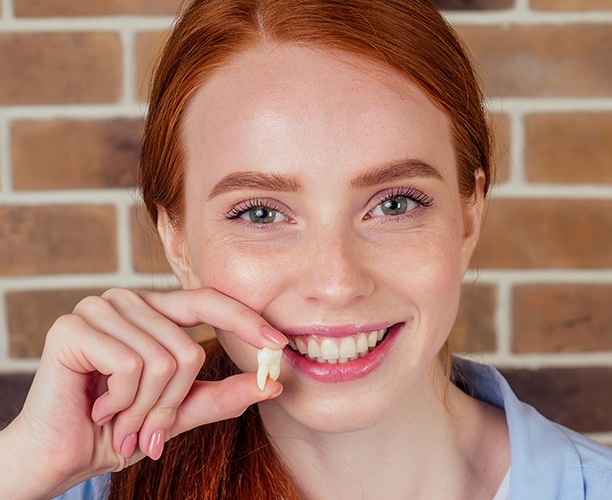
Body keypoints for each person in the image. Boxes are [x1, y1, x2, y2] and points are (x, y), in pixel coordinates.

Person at [1, 0, 611, 498]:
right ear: (177, 239)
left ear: (469, 213)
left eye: (395, 203)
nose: (337, 281)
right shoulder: (67, 485)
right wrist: (26, 464)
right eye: (261, 212)